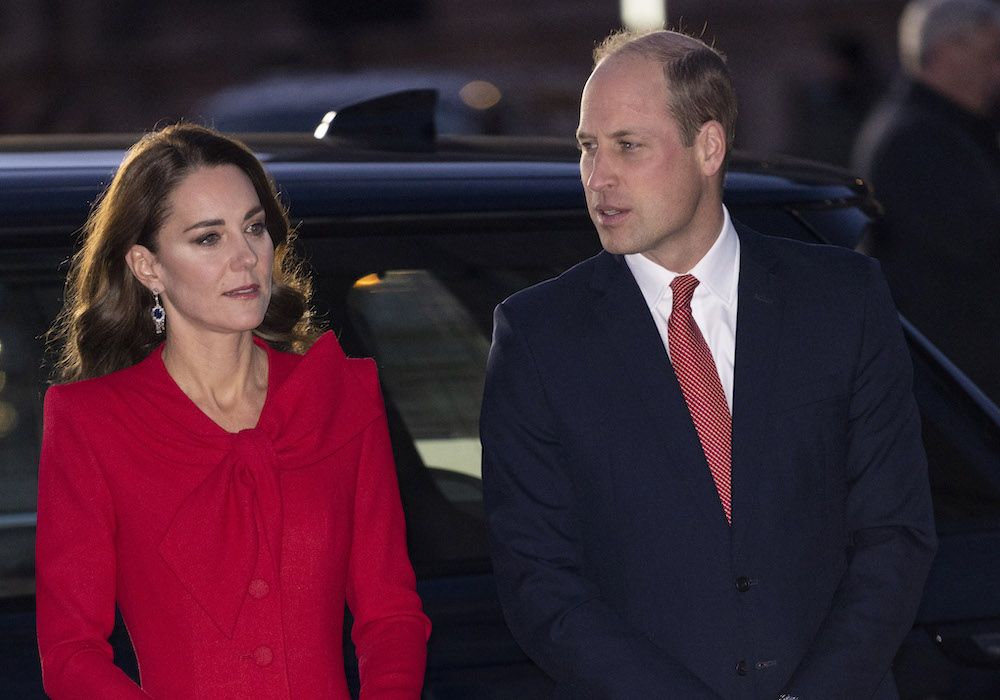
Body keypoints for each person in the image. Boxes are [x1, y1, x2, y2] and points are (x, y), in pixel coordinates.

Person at [481, 29, 937, 700]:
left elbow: (894, 533)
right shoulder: (539, 335)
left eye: (628, 146)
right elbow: (540, 583)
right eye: (586, 147)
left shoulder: (841, 300)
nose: (597, 176)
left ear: (709, 147)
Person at [36, 124, 430, 698]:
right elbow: (71, 654)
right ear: (148, 267)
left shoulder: (338, 395)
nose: (246, 258)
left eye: (254, 228)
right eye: (207, 239)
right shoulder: (90, 423)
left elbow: (390, 613)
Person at [852, 0, 1000, 404]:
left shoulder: (950, 131)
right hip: (954, 388)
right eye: (991, 54)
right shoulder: (913, 140)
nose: (997, 70)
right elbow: (978, 251)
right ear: (946, 51)